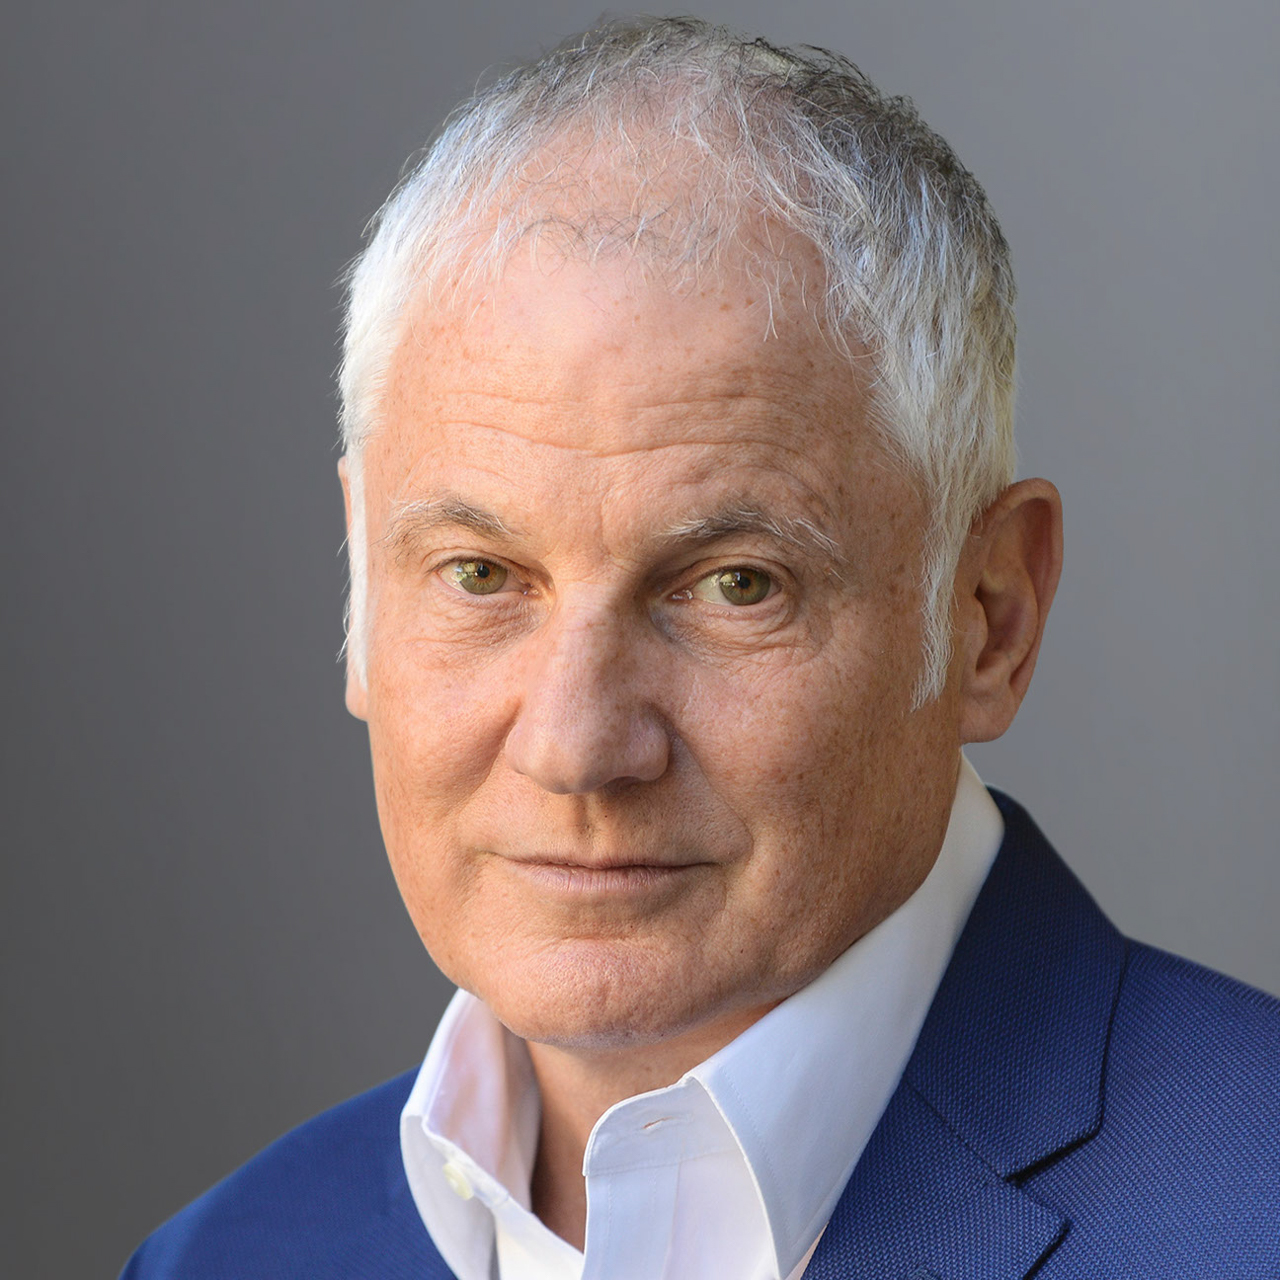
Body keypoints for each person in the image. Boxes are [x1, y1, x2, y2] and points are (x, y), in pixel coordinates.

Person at [122, 16, 1280, 1279]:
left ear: (988, 616)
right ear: (361, 581)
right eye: (480, 574)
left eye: (733, 585)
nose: (575, 747)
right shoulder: (217, 1258)